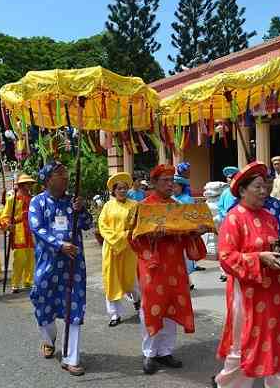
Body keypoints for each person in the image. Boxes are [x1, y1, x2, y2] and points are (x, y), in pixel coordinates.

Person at [214, 161, 280, 388]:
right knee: (245, 346)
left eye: (265, 186)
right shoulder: (233, 218)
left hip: (276, 290)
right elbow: (226, 258)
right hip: (247, 294)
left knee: (279, 342)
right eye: (257, 186)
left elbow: (276, 250)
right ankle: (226, 384)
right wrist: (258, 258)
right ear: (242, 190)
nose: (263, 191)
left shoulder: (269, 217)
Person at [129, 164, 208, 375]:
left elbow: (185, 236)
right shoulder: (143, 207)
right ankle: (149, 353)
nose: (170, 184)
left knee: (173, 305)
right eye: (165, 180)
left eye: (172, 180)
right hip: (152, 265)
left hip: (175, 266)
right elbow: (133, 237)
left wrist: (196, 232)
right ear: (154, 183)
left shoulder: (178, 208)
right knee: (152, 307)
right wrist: (151, 236)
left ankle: (165, 351)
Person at [29, 161, 93, 377]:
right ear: (48, 180)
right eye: (59, 174)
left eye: (66, 173)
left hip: (74, 265)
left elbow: (87, 224)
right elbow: (37, 228)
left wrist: (81, 209)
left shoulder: (72, 202)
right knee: (42, 302)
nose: (65, 177)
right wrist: (59, 245)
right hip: (48, 265)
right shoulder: (37, 202)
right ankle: (49, 338)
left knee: (74, 308)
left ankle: (71, 357)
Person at [98, 172, 140, 327]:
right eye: (119, 189)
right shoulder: (108, 206)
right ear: (114, 191)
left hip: (128, 249)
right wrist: (117, 238)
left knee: (130, 279)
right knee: (111, 280)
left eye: (124, 188)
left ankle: (137, 300)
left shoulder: (134, 205)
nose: (122, 191)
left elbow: (137, 225)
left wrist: (128, 235)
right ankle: (115, 314)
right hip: (111, 248)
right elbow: (102, 225)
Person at [0, 173, 36, 293]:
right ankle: (15, 283)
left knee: (31, 258)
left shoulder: (33, 199)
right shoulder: (12, 199)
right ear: (21, 185)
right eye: (27, 184)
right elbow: (4, 217)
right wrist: (7, 224)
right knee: (19, 258)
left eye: (30, 184)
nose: (29, 186)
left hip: (31, 230)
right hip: (19, 230)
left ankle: (28, 281)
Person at [172, 174, 198, 287]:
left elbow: (192, 216)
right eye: (172, 186)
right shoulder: (169, 199)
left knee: (184, 259)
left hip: (184, 233)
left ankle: (186, 281)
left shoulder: (188, 199)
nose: (173, 188)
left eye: (176, 186)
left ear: (181, 187)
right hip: (173, 233)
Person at [217, 167, 239, 282]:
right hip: (225, 222)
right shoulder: (225, 192)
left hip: (238, 223)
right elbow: (220, 206)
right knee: (224, 246)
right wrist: (225, 214)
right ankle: (224, 271)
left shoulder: (240, 191)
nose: (229, 179)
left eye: (231, 177)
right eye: (228, 178)